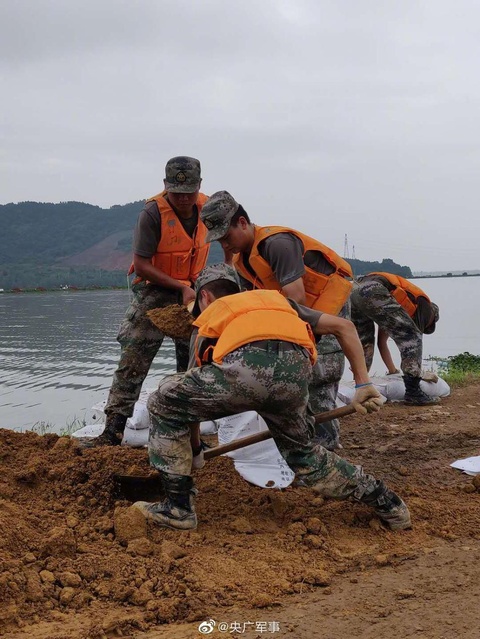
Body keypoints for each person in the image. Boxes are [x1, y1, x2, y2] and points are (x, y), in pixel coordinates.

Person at [133, 264, 411, 533]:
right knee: (306, 457)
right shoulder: (275, 301)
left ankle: (178, 509)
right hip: (296, 374)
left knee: (164, 398)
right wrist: (363, 384)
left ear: (204, 296)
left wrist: (194, 451)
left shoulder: (210, 316)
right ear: (240, 289)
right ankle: (386, 500)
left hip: (243, 374)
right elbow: (344, 327)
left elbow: (187, 404)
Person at [198, 190, 352, 451]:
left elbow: (296, 297)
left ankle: (325, 446)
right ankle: (304, 440)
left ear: (243, 223)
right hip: (297, 317)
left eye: (227, 237)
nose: (224, 245)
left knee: (319, 378)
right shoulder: (242, 261)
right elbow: (254, 303)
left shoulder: (277, 243)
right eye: (219, 241)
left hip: (326, 312)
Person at [81, 156, 210, 448]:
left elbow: (229, 241)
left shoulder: (209, 207)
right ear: (165, 187)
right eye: (176, 193)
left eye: (189, 192)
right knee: (133, 358)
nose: (183, 198)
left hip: (192, 291)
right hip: (156, 292)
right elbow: (140, 265)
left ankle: (190, 436)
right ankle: (112, 431)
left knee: (193, 363)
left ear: (199, 186)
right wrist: (179, 286)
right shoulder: (152, 214)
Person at [350, 272, 440, 405]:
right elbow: (413, 339)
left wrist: (393, 371)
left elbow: (382, 342)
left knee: (365, 341)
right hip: (373, 290)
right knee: (412, 336)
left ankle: (360, 386)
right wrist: (418, 373)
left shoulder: (391, 308)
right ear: (433, 319)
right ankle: (413, 392)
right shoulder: (426, 309)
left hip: (353, 290)